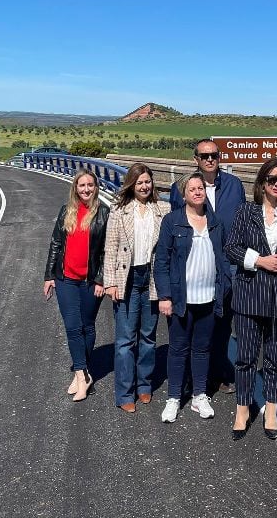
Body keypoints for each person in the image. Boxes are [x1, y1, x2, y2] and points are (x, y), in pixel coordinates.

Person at [225, 158, 277, 440]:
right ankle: (243, 408)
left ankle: (271, 409)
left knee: (275, 359)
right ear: (262, 183)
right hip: (249, 295)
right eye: (273, 179)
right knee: (246, 357)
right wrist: (260, 260)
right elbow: (231, 248)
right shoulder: (245, 212)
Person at [170, 138, 245, 393]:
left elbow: (243, 223)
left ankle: (218, 370)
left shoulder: (235, 186)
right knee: (191, 322)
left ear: (220, 157)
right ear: (196, 160)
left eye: (213, 155)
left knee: (223, 323)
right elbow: (174, 227)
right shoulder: (178, 188)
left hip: (227, 265)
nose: (209, 159)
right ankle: (192, 375)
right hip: (193, 266)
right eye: (204, 156)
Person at [156, 172, 232, 423]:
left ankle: (199, 395)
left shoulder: (216, 222)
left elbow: (223, 258)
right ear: (184, 194)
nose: (198, 192)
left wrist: (225, 287)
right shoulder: (172, 222)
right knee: (178, 348)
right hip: (181, 298)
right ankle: (174, 398)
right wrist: (164, 296)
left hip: (209, 297)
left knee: (202, 348)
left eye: (201, 188)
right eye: (192, 189)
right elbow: (162, 261)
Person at [103, 163, 170, 413]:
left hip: (151, 279)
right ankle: (124, 392)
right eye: (139, 182)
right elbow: (111, 248)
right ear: (132, 184)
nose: (144, 186)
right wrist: (110, 282)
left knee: (148, 338)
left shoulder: (163, 209)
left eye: (148, 181)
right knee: (124, 340)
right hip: (127, 279)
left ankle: (144, 385)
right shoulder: (119, 210)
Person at [43, 170, 108, 402]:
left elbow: (106, 251)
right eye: (82, 185)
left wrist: (101, 279)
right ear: (75, 188)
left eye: (90, 185)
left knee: (87, 327)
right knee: (72, 327)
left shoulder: (103, 213)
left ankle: (84, 370)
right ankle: (81, 376)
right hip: (66, 279)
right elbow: (55, 244)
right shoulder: (66, 211)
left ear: (96, 187)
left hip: (90, 281)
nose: (86, 189)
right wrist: (49, 275)